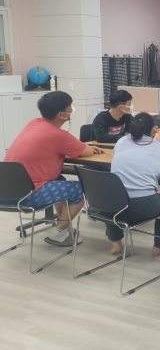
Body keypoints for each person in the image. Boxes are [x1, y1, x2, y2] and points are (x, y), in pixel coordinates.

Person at [4, 91, 105, 246]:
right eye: (70, 106)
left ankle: (63, 227)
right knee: (80, 189)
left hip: (5, 191)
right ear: (62, 115)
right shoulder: (58, 135)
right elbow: (87, 151)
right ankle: (59, 232)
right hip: (26, 195)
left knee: (60, 180)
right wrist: (87, 148)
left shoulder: (33, 123)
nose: (72, 109)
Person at [107, 112, 160, 256]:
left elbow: (114, 156)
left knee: (111, 195)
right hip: (142, 208)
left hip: (111, 207)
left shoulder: (121, 142)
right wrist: (159, 143)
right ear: (154, 129)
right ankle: (158, 246)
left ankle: (116, 244)